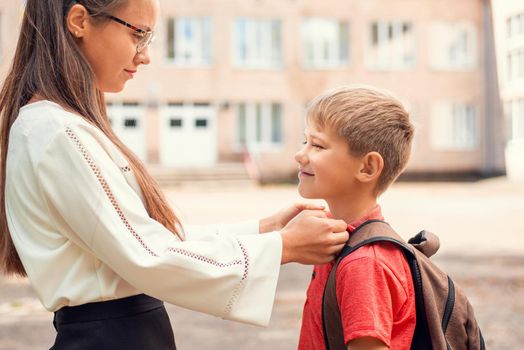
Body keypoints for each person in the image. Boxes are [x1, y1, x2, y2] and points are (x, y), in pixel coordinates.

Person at [0, 0, 350, 349]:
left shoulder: (61, 126)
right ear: (79, 21)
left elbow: (149, 237)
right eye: (138, 34)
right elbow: (148, 255)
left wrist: (266, 230)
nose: (144, 55)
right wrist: (282, 247)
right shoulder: (56, 132)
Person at [295, 86, 417, 350]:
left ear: (367, 167)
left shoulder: (364, 264)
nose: (300, 154)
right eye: (304, 141)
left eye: (317, 145)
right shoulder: (335, 239)